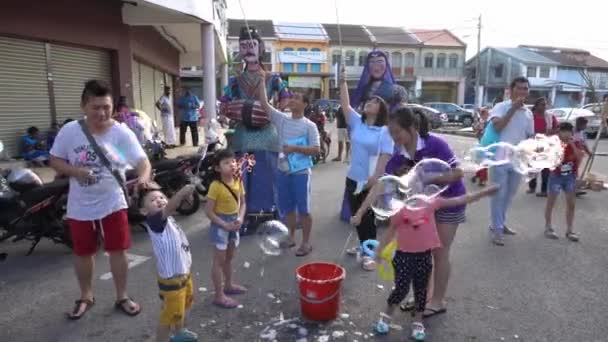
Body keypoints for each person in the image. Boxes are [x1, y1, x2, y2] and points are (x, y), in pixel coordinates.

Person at [49, 79, 151, 320]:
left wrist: (144, 177)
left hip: (113, 201)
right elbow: (54, 160)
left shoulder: (120, 132)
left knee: (118, 250)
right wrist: (76, 172)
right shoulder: (70, 131)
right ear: (84, 106)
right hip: (80, 204)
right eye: (96, 107)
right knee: (83, 252)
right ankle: (86, 296)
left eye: (107, 106)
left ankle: (122, 296)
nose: (103, 112)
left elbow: (141, 161)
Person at [354, 106, 467, 317]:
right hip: (425, 207)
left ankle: (438, 301)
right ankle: (423, 297)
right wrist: (361, 212)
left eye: (397, 132)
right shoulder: (399, 154)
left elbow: (458, 172)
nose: (394, 137)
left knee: (440, 252)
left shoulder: (435, 144)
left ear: (413, 127)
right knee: (424, 254)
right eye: (391, 133)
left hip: (450, 201)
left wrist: (425, 177)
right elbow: (381, 185)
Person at [373, 185, 499, 340]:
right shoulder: (400, 211)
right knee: (401, 288)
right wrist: (379, 251)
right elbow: (390, 231)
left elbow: (459, 200)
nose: (416, 194)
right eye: (412, 191)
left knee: (421, 290)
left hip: (424, 256)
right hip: (403, 256)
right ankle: (386, 315)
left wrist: (484, 192)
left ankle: (418, 322)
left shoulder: (431, 203)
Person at [258, 69, 320, 257]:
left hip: (301, 173)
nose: (292, 100)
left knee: (304, 210)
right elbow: (264, 104)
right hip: (283, 172)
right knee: (287, 209)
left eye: (297, 98)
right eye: (292, 97)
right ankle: (291, 237)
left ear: (305, 105)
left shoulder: (310, 126)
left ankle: (306, 242)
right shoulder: (282, 119)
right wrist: (262, 81)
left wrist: (295, 149)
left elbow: (317, 150)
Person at [337, 66, 393, 271]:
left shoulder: (384, 131)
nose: (370, 102)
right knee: (356, 213)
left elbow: (385, 156)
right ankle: (362, 245)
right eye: (369, 101)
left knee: (368, 217)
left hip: (371, 180)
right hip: (353, 177)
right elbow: (345, 104)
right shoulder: (357, 123)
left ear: (381, 110)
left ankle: (371, 255)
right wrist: (342, 81)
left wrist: (375, 177)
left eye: (375, 102)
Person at [139, 183, 198, 342]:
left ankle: (179, 333)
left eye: (161, 197)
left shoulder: (168, 218)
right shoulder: (154, 221)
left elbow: (177, 206)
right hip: (172, 279)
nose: (159, 200)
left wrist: (187, 196)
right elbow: (172, 205)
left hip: (183, 272)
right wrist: (180, 194)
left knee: (182, 307)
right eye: (152, 200)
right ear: (144, 211)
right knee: (169, 314)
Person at [487, 77, 534, 246]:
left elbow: (529, 136)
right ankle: (497, 230)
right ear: (511, 90)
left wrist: (534, 151)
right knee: (498, 195)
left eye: (525, 89)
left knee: (509, 195)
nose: (523, 92)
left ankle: (499, 223)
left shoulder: (528, 113)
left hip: (518, 158)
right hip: (499, 157)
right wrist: (513, 109)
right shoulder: (501, 107)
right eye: (520, 88)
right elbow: (497, 127)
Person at [204, 149, 248, 308]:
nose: (231, 165)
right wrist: (224, 225)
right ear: (217, 168)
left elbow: (242, 203)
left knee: (229, 258)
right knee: (219, 261)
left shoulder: (238, 181)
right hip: (220, 225)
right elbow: (208, 211)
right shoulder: (215, 186)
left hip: (234, 223)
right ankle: (218, 295)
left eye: (233, 161)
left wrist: (241, 218)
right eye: (226, 163)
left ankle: (228, 285)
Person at [544, 122, 584, 242]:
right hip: (556, 176)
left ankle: (570, 230)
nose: (566, 133)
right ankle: (548, 227)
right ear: (559, 132)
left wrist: (571, 144)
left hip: (570, 177)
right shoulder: (554, 144)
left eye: (568, 131)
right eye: (563, 131)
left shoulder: (575, 143)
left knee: (571, 204)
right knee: (551, 202)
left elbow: (579, 157)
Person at [528, 97, 558, 197]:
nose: (544, 106)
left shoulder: (550, 116)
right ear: (536, 106)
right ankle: (532, 187)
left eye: (545, 104)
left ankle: (544, 190)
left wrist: (552, 132)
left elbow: (557, 128)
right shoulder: (530, 117)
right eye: (542, 104)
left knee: (545, 169)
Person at [471, 107, 489, 186]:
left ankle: (480, 177)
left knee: (482, 161)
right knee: (481, 161)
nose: (482, 115)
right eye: (482, 113)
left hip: (485, 142)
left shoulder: (487, 122)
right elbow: (476, 129)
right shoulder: (483, 121)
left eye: (483, 113)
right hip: (482, 142)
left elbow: (478, 130)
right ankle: (480, 177)